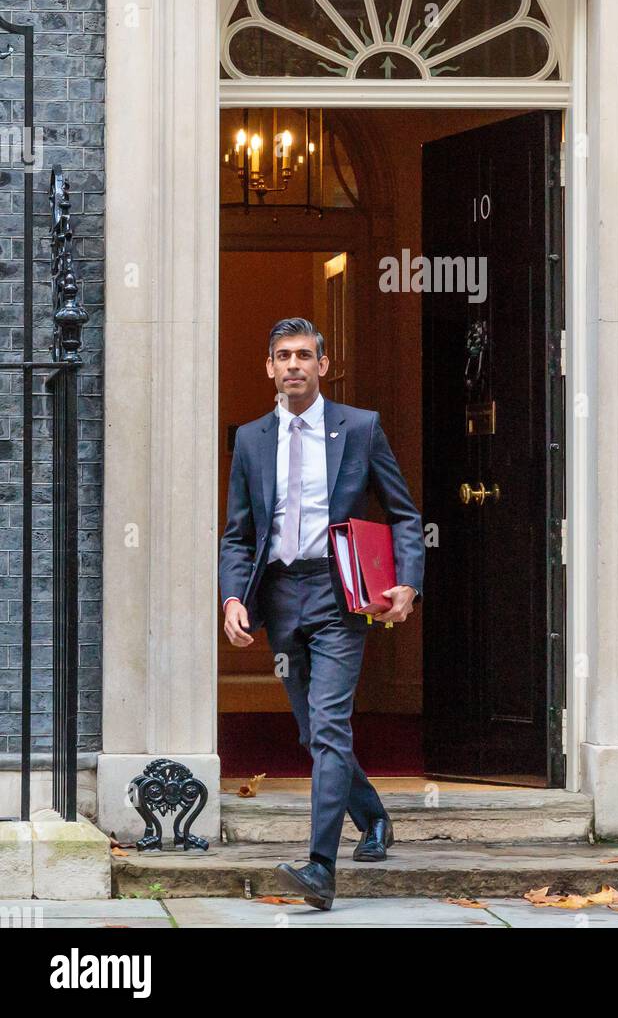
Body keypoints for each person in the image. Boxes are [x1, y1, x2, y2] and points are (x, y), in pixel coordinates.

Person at [219, 317, 425, 911]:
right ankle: (375, 819)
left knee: (330, 726)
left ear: (323, 366)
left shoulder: (359, 429)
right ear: (268, 367)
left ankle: (319, 866)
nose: (293, 365)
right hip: (281, 599)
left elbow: (404, 513)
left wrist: (407, 583)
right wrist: (233, 597)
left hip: (337, 597)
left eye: (304, 355)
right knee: (312, 732)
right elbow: (238, 534)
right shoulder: (254, 439)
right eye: (282, 355)